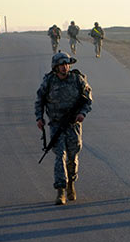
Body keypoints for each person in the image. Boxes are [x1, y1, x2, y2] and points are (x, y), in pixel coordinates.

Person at [35, 52, 93, 205]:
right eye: (61, 65)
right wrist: (39, 118)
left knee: (73, 156)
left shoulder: (77, 79)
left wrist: (82, 113)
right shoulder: (49, 81)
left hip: (73, 124)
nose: (65, 67)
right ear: (55, 67)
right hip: (56, 124)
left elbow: (88, 99)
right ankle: (60, 191)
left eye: (67, 64)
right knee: (59, 155)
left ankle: (70, 184)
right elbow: (39, 100)